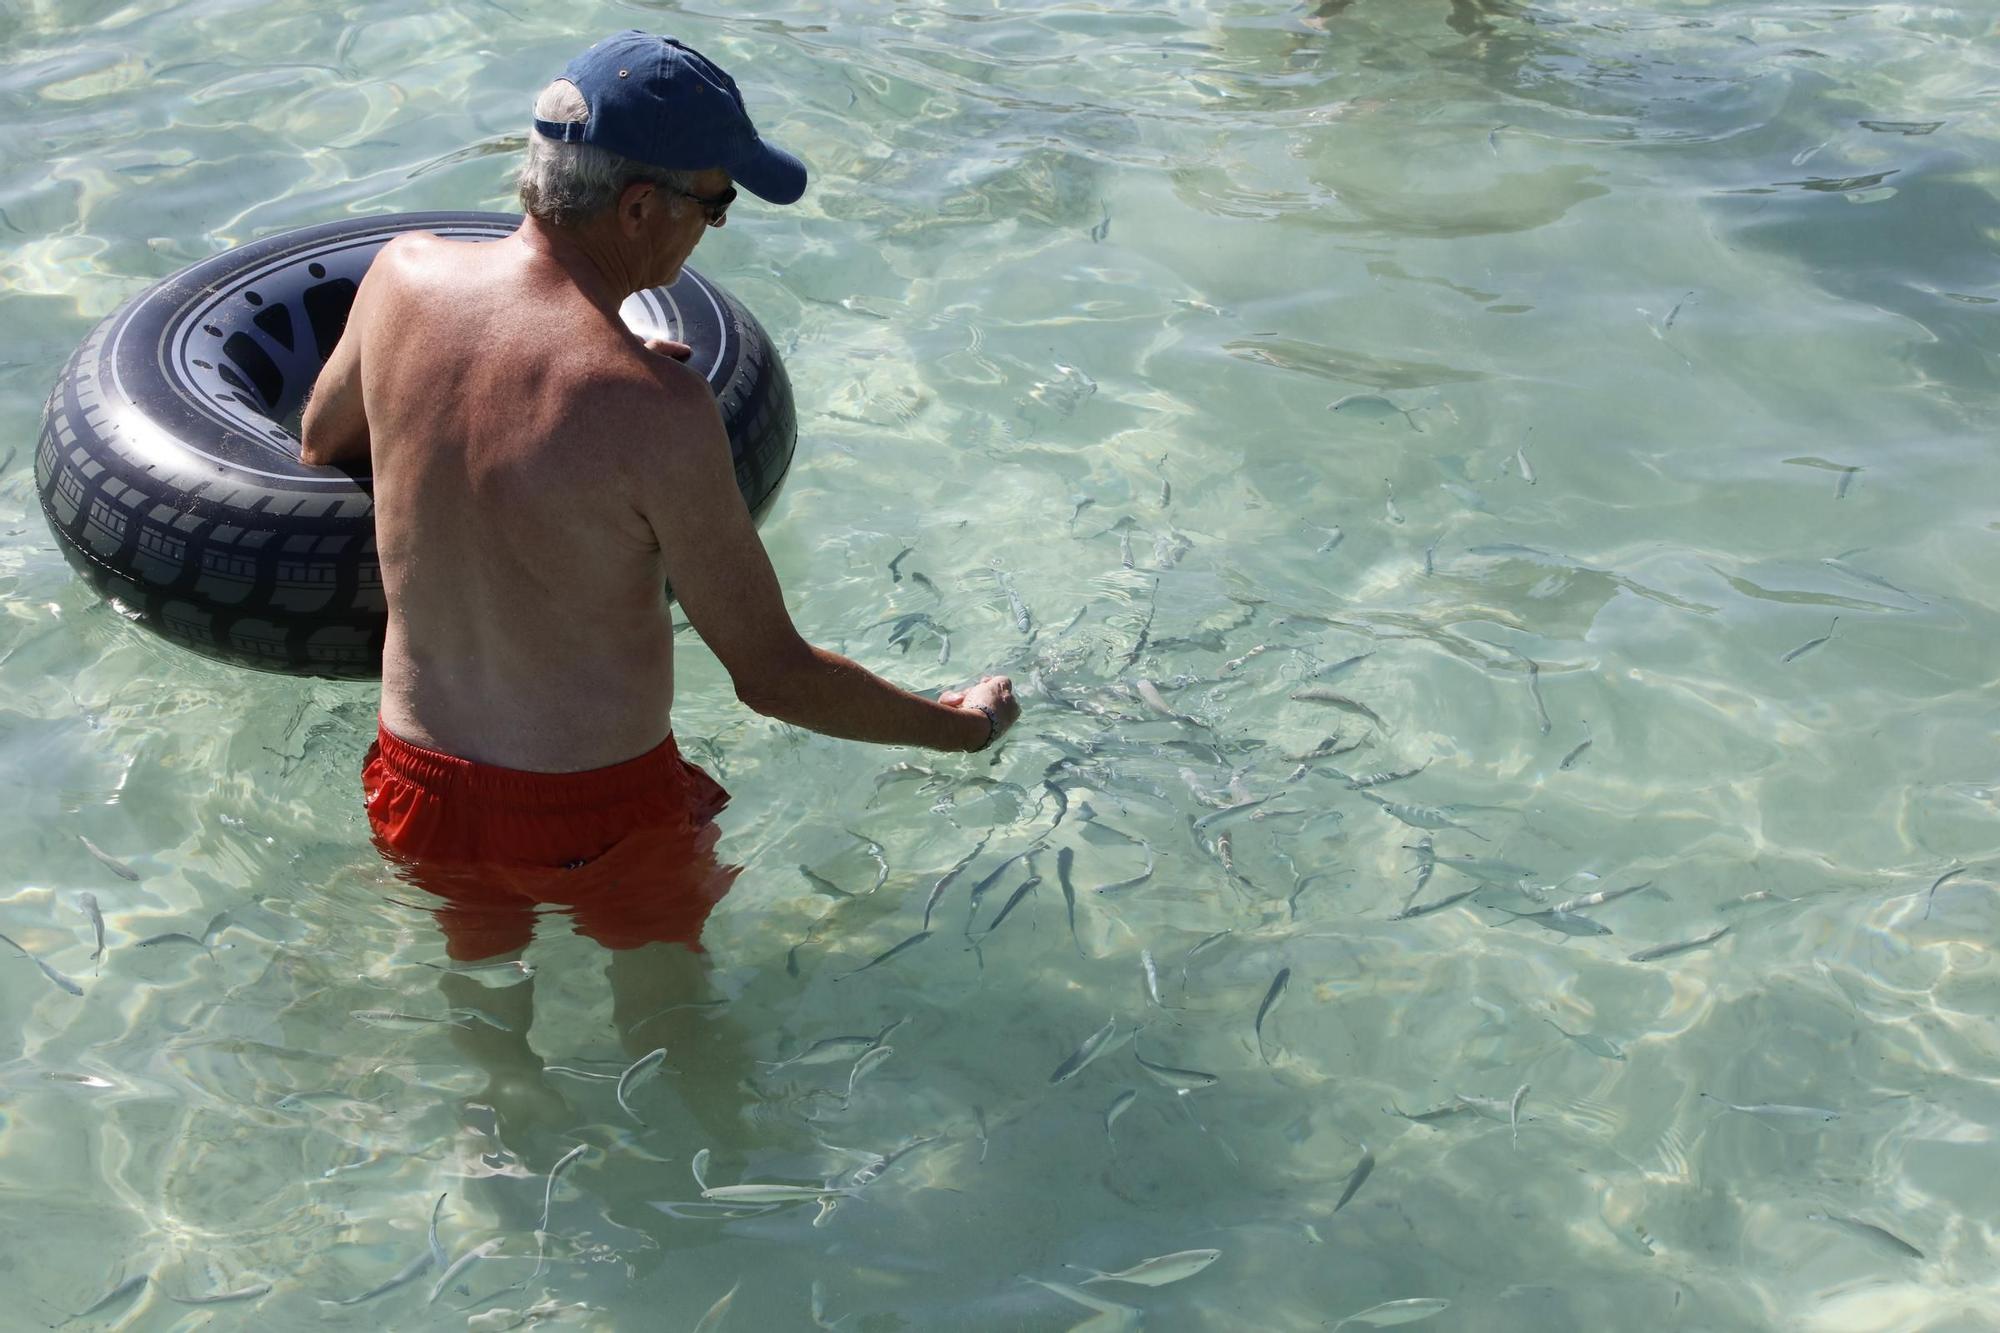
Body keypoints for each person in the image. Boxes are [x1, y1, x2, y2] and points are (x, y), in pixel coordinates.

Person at [298, 30, 1019, 973]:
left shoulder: (401, 279)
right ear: (640, 206)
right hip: (597, 814)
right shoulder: (658, 414)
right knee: (669, 1009)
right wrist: (959, 728)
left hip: (421, 784)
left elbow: (321, 439)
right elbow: (771, 675)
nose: (716, 226)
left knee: (485, 1017)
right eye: (716, 204)